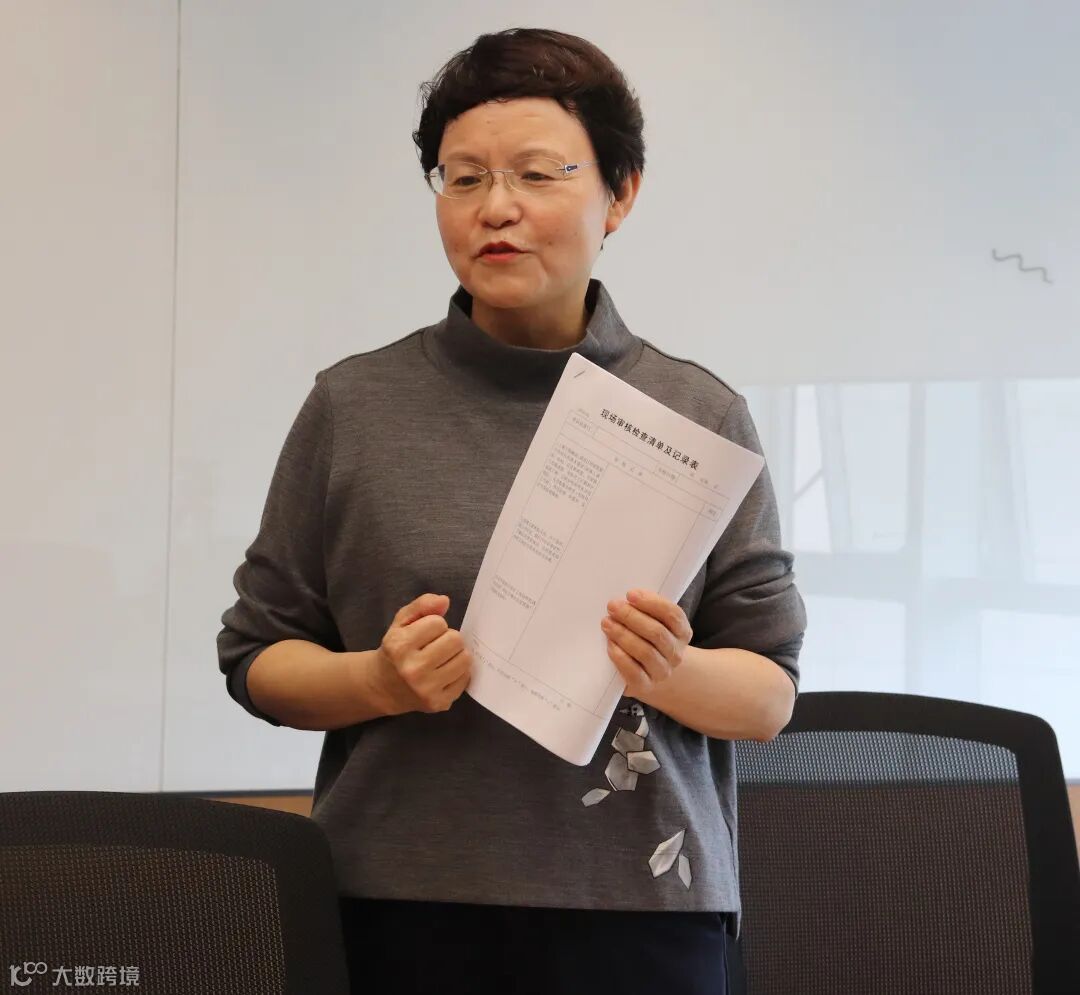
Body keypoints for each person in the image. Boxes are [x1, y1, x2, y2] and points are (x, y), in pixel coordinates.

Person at [217, 27, 806, 995]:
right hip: (397, 901)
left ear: (621, 192)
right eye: (463, 179)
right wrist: (379, 679)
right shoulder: (353, 406)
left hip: (639, 912)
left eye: (537, 173)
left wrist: (672, 668)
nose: (496, 208)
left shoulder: (697, 412)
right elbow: (257, 657)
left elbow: (768, 694)